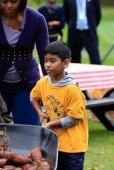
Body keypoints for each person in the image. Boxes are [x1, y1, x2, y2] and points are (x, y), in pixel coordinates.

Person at [0, 0, 49, 124]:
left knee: (29, 133)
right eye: (4, 1)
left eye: (14, 1)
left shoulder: (37, 20)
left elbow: (46, 59)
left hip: (26, 85)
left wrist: (51, 88)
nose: (9, 5)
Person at [30, 41, 88, 170]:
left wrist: (51, 124)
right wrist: (40, 113)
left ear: (65, 63)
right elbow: (33, 97)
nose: (47, 65)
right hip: (54, 144)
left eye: (52, 61)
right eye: (45, 61)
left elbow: (74, 118)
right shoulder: (43, 82)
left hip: (73, 146)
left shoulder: (72, 89)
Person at [63, 0, 102, 64]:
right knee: (74, 58)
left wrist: (92, 25)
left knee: (95, 58)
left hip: (89, 33)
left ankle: (98, 73)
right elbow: (66, 14)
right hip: (74, 33)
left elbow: (98, 15)